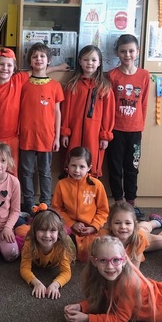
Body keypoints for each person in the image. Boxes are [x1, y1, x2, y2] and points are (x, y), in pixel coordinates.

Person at [106, 34, 150, 221]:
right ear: (117, 52)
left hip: (135, 131)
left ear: (137, 52)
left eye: (131, 51)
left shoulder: (144, 75)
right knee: (115, 167)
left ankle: (130, 204)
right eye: (123, 51)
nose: (127, 55)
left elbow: (144, 102)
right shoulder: (112, 75)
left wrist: (140, 124)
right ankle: (118, 202)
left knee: (132, 167)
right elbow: (108, 105)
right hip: (115, 130)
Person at [18, 43, 64, 212]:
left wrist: (57, 137)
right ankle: (29, 203)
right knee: (26, 171)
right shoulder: (23, 83)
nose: (38, 59)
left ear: (48, 60)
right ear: (30, 61)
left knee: (45, 171)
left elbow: (57, 112)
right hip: (26, 135)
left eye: (42, 56)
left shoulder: (55, 85)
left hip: (47, 136)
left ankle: (46, 204)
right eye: (35, 56)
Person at [60, 45, 115, 178]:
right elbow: (65, 110)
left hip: (94, 135)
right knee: (73, 163)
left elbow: (108, 114)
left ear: (99, 62)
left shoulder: (105, 87)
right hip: (75, 133)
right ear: (80, 61)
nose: (89, 63)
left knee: (92, 164)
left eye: (93, 60)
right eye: (86, 59)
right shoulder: (72, 85)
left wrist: (105, 135)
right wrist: (65, 132)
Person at [52, 146, 109, 262]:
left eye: (82, 166)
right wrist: (72, 223)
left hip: (91, 229)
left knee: (103, 248)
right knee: (53, 241)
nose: (77, 170)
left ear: (89, 168)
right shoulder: (61, 184)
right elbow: (57, 209)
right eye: (73, 165)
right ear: (67, 166)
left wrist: (93, 227)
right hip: (68, 227)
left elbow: (103, 211)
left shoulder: (97, 185)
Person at [20, 208, 75, 299]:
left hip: (56, 259)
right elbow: (24, 268)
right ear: (34, 230)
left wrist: (55, 284)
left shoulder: (61, 246)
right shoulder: (29, 243)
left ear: (59, 232)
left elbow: (66, 271)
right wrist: (36, 283)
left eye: (52, 230)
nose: (47, 235)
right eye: (42, 229)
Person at [99, 201, 162, 268]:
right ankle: (156, 221)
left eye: (127, 223)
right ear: (110, 225)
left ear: (135, 225)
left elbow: (134, 269)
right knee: (142, 228)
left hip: (138, 236)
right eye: (117, 223)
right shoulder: (103, 239)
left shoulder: (139, 238)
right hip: (134, 232)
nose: (123, 226)